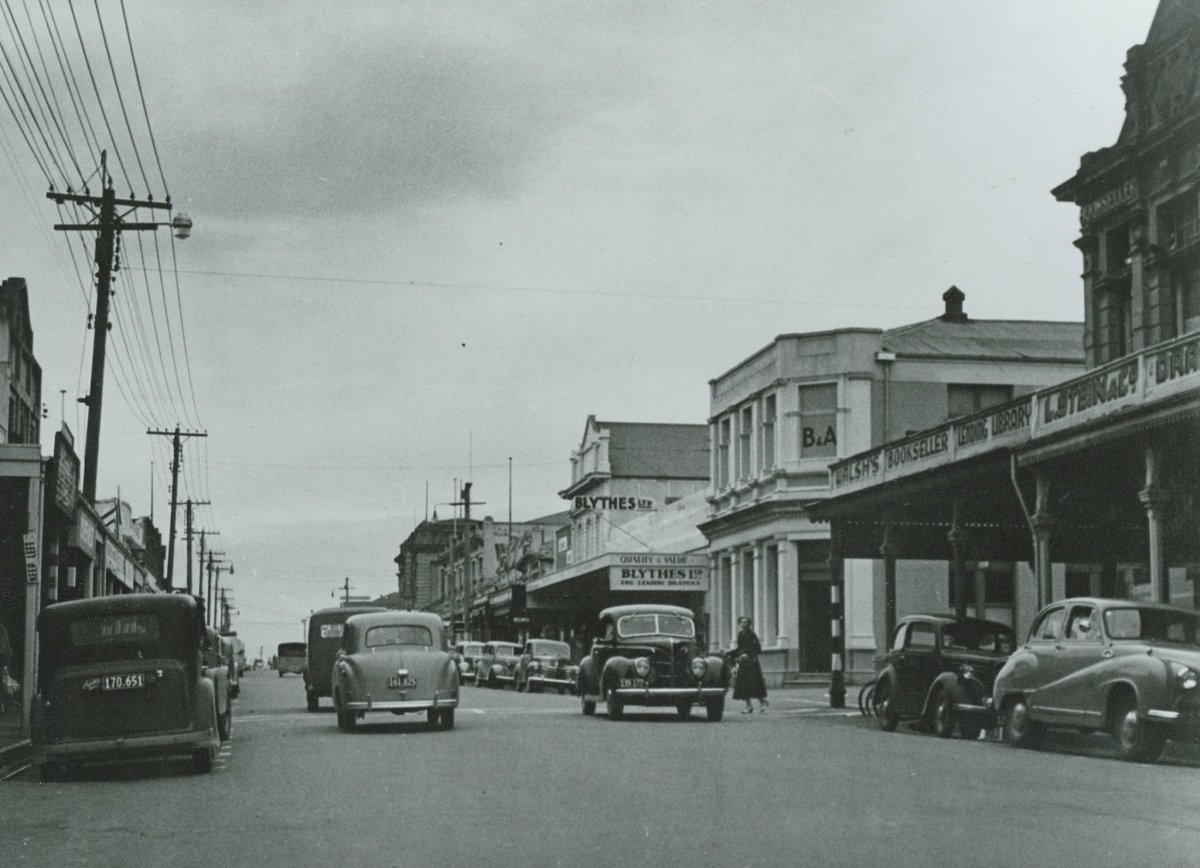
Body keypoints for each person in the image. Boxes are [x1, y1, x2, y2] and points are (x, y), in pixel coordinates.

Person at [731, 616, 768, 714]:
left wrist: (748, 654)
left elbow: (758, 649)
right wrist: (730, 653)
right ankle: (748, 705)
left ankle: (762, 702)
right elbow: (739, 648)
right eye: (742, 622)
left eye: (745, 622)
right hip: (743, 664)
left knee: (755, 683)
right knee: (743, 685)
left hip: (752, 663)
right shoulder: (740, 635)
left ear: (749, 624)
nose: (743, 624)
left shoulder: (752, 635)